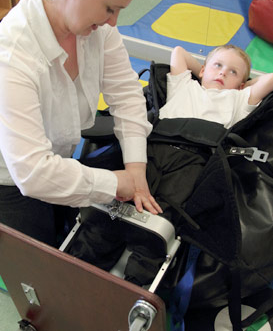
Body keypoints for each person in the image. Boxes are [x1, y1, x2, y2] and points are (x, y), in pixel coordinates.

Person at [0, 0, 162, 248]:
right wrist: (115, 182)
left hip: (57, 161)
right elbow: (32, 174)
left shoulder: (95, 27)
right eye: (110, 8)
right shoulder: (13, 55)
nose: (113, 21)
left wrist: (136, 171)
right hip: (11, 182)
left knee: (75, 238)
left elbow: (128, 97)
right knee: (44, 275)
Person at [68, 43, 273, 287]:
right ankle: (80, 264)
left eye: (232, 72)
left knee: (163, 213)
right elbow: (178, 52)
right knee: (116, 205)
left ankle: (135, 282)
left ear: (241, 84)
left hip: (193, 160)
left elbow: (268, 81)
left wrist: (245, 86)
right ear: (204, 69)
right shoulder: (183, 85)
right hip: (152, 150)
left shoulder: (238, 99)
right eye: (218, 66)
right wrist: (203, 72)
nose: (222, 73)